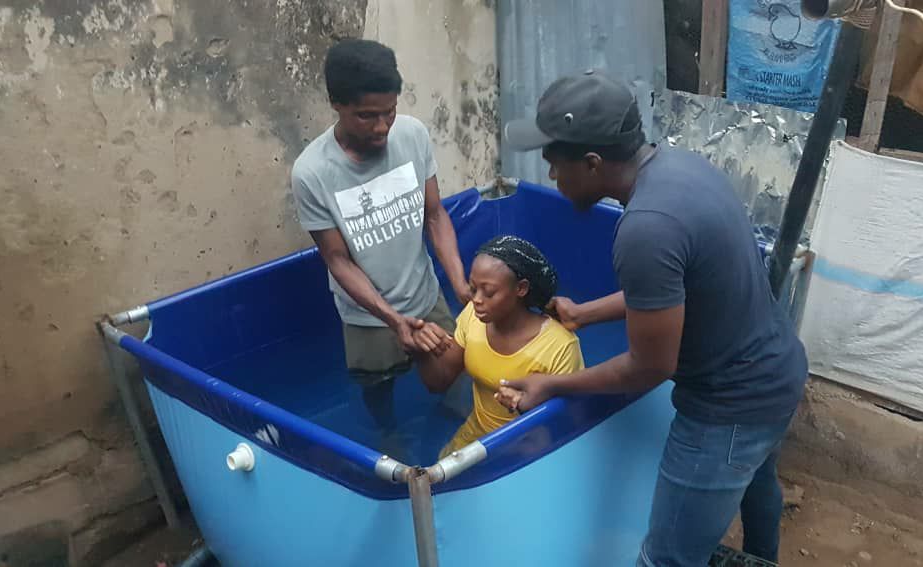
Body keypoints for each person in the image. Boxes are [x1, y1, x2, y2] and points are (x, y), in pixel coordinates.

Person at [497, 71, 809, 567]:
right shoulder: (679, 167)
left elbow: (650, 366)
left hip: (728, 409)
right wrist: (586, 312)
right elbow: (677, 289)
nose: (552, 179)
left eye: (555, 166)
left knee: (666, 557)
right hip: (778, 369)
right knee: (758, 486)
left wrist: (551, 386)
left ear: (593, 163)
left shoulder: (644, 228)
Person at [290, 39, 472, 450]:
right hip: (367, 313)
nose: (381, 127)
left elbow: (436, 216)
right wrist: (393, 320)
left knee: (455, 369)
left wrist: (459, 283)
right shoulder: (312, 173)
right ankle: (388, 434)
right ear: (336, 104)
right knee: (377, 384)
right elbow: (337, 260)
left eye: (388, 112)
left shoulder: (412, 135)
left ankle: (455, 416)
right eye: (366, 116)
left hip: (425, 294)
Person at [411, 236, 584, 459]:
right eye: (473, 289)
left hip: (529, 448)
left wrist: (526, 407)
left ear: (521, 289)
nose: (477, 300)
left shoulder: (559, 346)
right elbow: (439, 383)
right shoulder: (473, 317)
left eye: (489, 292)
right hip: (476, 438)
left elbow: (574, 420)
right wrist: (419, 351)